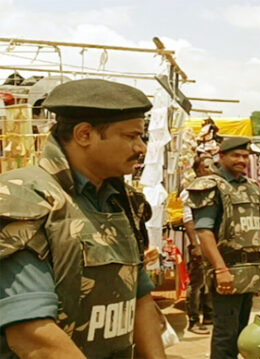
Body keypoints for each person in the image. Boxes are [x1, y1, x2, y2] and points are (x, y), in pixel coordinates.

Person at [0, 79, 166, 358]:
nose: (142, 148)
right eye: (130, 136)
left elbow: (140, 299)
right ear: (84, 134)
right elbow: (32, 333)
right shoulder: (24, 200)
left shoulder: (123, 201)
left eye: (142, 137)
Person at [186, 136, 260, 359]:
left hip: (250, 270)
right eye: (236, 155)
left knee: (242, 331)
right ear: (221, 156)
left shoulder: (251, 187)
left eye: (245, 156)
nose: (241, 160)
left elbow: (259, 224)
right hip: (227, 271)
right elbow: (204, 232)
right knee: (226, 335)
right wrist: (220, 270)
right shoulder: (210, 186)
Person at [182, 155, 215, 335]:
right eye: (206, 167)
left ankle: (208, 316)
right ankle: (193, 320)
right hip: (199, 244)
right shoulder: (190, 191)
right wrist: (195, 244)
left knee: (208, 280)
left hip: (210, 244)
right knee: (196, 283)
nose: (210, 170)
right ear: (198, 170)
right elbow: (188, 219)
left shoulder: (212, 188)